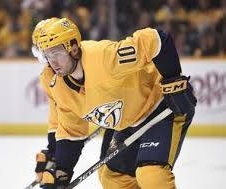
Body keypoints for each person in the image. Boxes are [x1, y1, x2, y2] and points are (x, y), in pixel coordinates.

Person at [34, 17, 197, 189]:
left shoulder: (105, 58)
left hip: (161, 107)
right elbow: (71, 134)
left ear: (73, 49)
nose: (52, 62)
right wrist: (61, 172)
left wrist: (174, 83)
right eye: (47, 55)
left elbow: (156, 40)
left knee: (151, 175)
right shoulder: (57, 85)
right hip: (129, 122)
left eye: (56, 53)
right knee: (112, 177)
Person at [31, 18, 114, 187]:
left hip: (131, 109)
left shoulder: (93, 59)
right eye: (44, 53)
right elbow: (60, 119)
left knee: (118, 172)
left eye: (53, 52)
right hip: (115, 117)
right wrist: (54, 155)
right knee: (110, 173)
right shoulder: (49, 77)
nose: (49, 62)